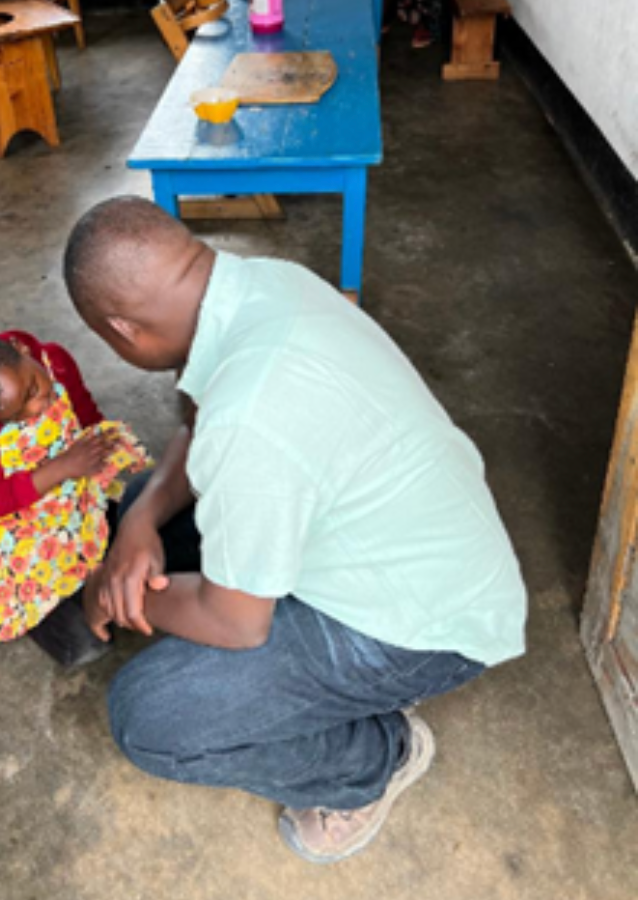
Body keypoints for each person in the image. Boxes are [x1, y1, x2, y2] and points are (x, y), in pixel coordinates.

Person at [61, 197, 527, 863]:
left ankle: (375, 760)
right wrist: (138, 523)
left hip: (421, 624)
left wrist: (115, 590)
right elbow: (198, 425)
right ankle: (152, 548)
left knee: (152, 718)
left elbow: (236, 623)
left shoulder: (251, 419)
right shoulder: (265, 282)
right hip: (405, 540)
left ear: (121, 330)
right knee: (144, 504)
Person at [0, 330, 150, 667]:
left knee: (136, 537)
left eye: (34, 390)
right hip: (18, 516)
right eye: (13, 417)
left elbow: (82, 411)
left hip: (74, 495)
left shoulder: (56, 361)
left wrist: (99, 443)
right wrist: (62, 467)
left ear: (21, 349)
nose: (35, 409)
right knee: (84, 647)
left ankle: (85, 565)